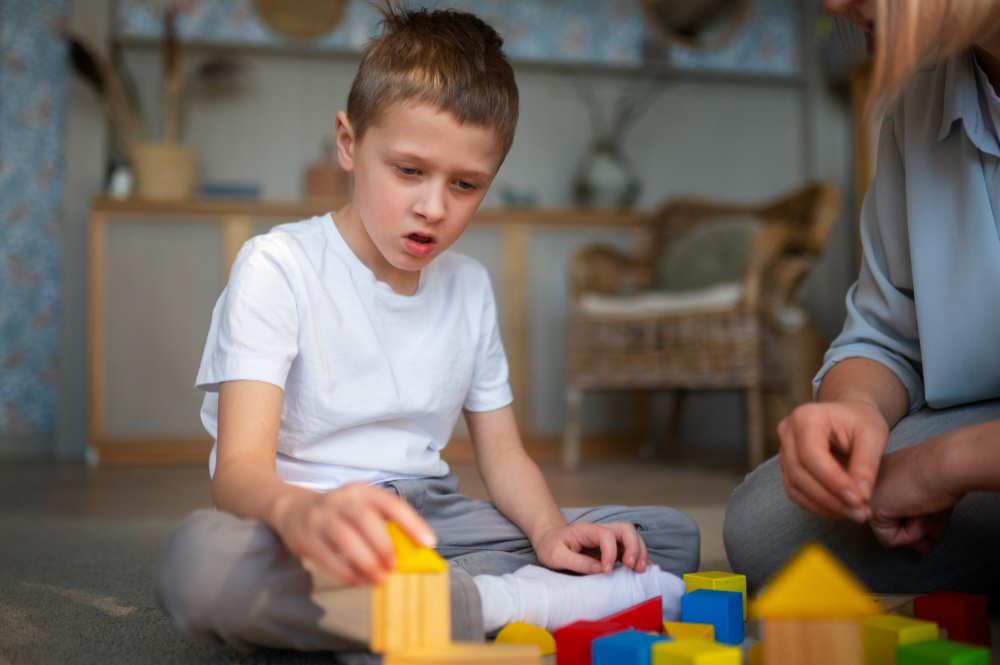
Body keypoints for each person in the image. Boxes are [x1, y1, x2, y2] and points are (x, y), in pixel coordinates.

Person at [154, 5, 699, 657]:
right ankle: (506, 602)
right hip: (316, 521)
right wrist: (300, 513)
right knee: (197, 563)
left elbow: (503, 456)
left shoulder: (469, 285)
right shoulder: (277, 267)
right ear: (349, 142)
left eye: (465, 184)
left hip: (435, 523)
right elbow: (239, 471)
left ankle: (399, 613)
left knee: (665, 537)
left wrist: (550, 532)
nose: (433, 207)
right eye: (409, 171)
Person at [724, 0, 1000, 595]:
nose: (830, 6)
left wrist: (946, 463)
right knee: (767, 528)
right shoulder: (919, 99)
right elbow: (886, 335)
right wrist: (855, 407)